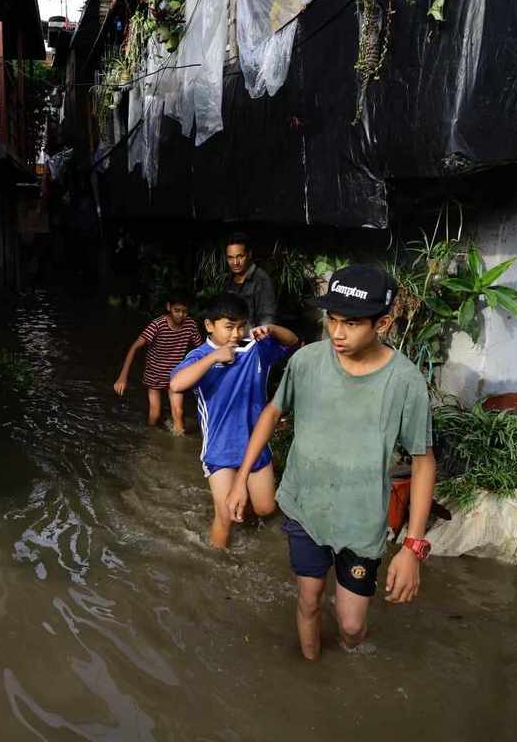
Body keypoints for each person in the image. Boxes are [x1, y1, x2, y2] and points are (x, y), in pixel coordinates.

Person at [228, 264, 436, 660]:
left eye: (352, 324)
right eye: (332, 320)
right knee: (308, 601)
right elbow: (272, 413)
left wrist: (413, 546)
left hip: (361, 520)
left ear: (384, 323)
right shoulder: (306, 362)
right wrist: (241, 480)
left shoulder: (405, 383)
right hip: (307, 506)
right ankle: (311, 670)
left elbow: (424, 462)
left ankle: (347, 657)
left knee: (352, 625)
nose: (337, 333)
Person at [170, 294, 300, 548]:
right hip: (220, 448)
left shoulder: (256, 348)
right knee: (226, 517)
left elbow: (294, 342)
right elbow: (175, 383)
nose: (235, 333)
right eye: (229, 327)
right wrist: (213, 358)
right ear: (209, 325)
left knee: (265, 507)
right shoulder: (199, 356)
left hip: (256, 441)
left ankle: (243, 506)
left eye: (241, 325)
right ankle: (215, 568)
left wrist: (271, 329)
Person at [114, 292, 202, 435]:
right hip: (154, 374)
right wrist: (123, 376)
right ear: (169, 307)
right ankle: (150, 440)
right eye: (177, 310)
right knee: (154, 415)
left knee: (178, 414)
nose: (180, 315)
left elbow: (201, 348)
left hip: (175, 375)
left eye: (184, 311)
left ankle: (177, 450)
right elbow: (135, 347)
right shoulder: (157, 325)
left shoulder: (190, 325)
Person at [224, 232, 278, 327]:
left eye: (240, 256)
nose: (235, 262)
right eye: (230, 258)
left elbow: (268, 319)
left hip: (253, 338)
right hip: (232, 337)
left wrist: (258, 338)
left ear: (249, 254)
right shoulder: (229, 279)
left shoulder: (261, 279)